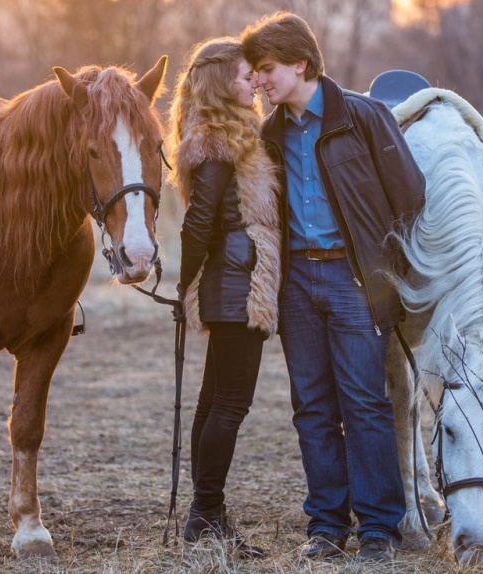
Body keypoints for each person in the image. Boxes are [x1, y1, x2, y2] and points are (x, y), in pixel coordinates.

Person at [240, 12, 426, 563]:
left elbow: (410, 194)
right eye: (254, 72)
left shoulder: (363, 118)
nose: (258, 81)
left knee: (365, 402)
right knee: (313, 406)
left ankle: (379, 531)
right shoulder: (269, 135)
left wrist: (380, 266)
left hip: (353, 277)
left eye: (266, 69)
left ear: (301, 63)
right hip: (296, 282)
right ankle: (325, 527)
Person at [167, 36, 282, 558]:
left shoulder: (227, 134)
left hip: (231, 280)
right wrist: (181, 283)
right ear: (219, 83)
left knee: (213, 402)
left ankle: (204, 514)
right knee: (229, 404)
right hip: (242, 285)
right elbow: (199, 222)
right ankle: (207, 515)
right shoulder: (217, 140)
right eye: (243, 76)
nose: (253, 83)